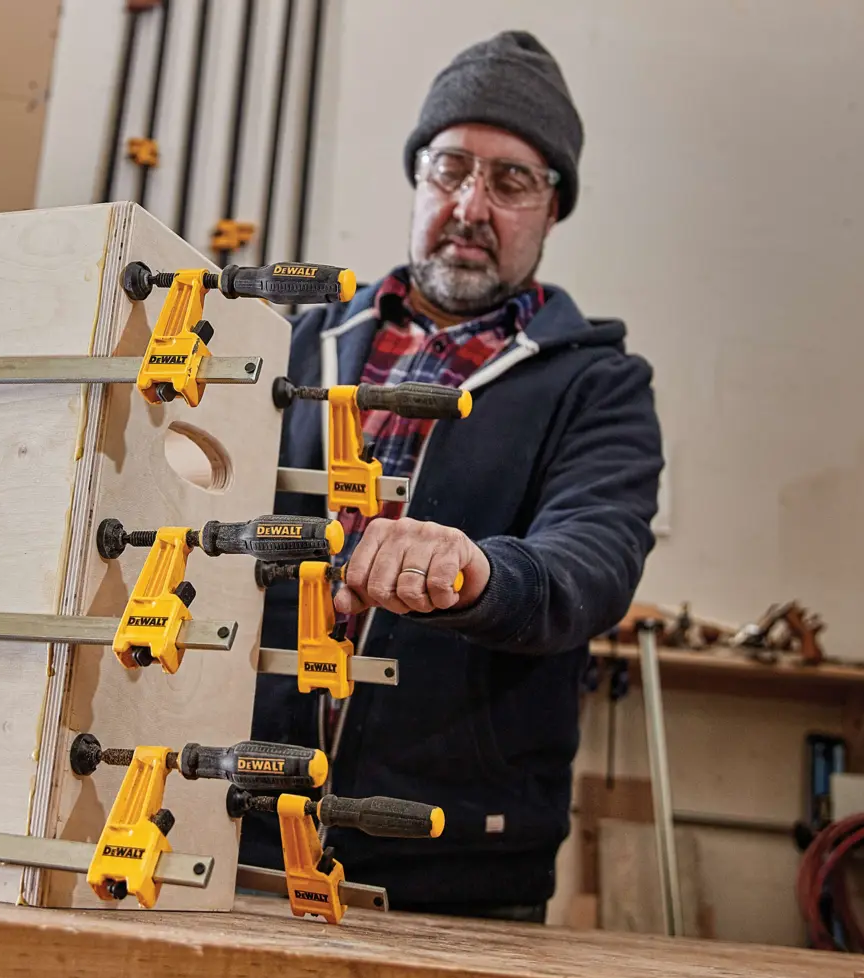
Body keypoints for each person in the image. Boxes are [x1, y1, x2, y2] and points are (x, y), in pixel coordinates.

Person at [245, 29, 664, 922]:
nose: (472, 203)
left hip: (459, 867)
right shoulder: (289, 342)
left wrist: (476, 569)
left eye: (511, 181)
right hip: (235, 830)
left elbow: (590, 561)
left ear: (553, 208)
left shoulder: (599, 385)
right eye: (450, 169)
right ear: (418, 179)